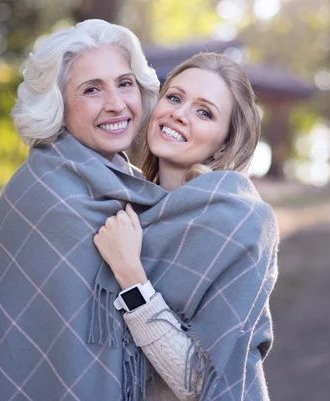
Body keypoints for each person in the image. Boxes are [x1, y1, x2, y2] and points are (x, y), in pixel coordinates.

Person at [0, 19, 161, 400]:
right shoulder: (45, 194)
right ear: (58, 105)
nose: (116, 104)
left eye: (124, 83)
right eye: (92, 89)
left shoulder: (129, 181)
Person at [93, 53, 279, 401]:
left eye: (204, 111)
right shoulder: (122, 207)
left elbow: (203, 381)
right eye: (175, 98)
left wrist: (131, 276)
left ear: (225, 140)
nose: (179, 113)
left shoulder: (242, 223)